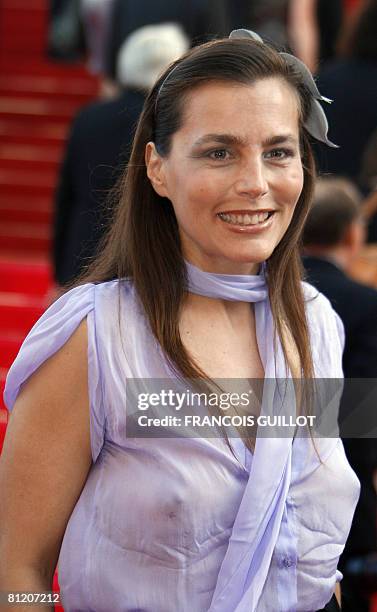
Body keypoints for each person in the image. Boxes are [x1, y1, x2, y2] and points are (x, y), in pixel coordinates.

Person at [0, 30, 360, 611]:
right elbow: (16, 570)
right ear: (158, 168)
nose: (255, 182)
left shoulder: (318, 323)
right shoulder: (95, 334)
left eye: (278, 151)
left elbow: (300, 522)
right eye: (219, 152)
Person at [53, 23, 189, 289]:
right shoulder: (166, 123)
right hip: (147, 252)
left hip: (81, 251)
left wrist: (59, 268)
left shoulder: (87, 117)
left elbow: (65, 194)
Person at [302, 177, 377, 611]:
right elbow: (361, 418)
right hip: (344, 499)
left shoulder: (266, 291)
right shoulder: (365, 303)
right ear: (352, 234)